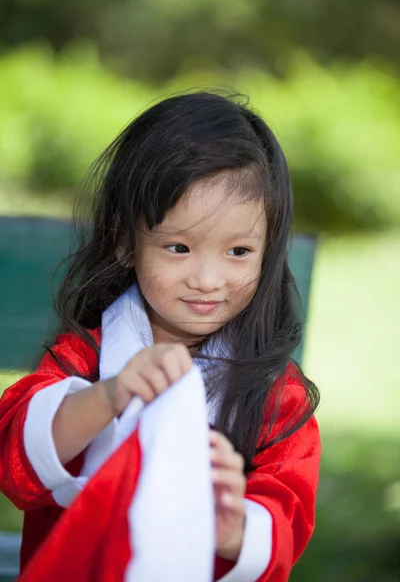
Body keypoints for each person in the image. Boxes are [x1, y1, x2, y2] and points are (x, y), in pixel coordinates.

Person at [0, 91, 320, 581]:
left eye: (238, 251)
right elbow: (17, 459)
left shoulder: (280, 396)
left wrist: (235, 528)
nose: (208, 279)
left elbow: (288, 516)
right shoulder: (86, 359)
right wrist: (110, 395)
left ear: (267, 250)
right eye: (178, 246)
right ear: (127, 243)